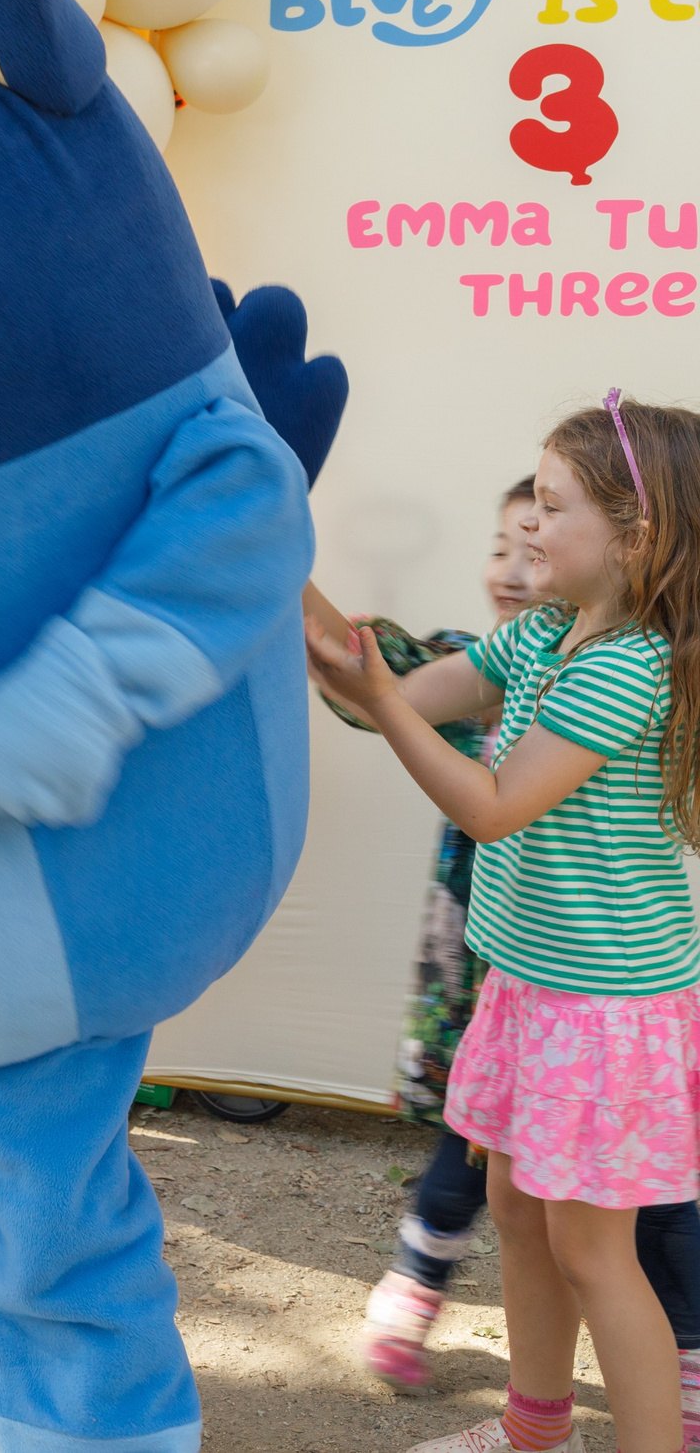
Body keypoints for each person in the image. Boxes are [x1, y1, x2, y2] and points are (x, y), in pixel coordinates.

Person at [309, 395, 700, 1453]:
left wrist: (383, 701)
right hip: (528, 986)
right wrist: (272, 565)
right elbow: (377, 688)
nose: (526, 522)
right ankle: (536, 1435)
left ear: (638, 533)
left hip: (605, 1013)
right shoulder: (537, 635)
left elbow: (488, 804)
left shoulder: (628, 667)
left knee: (594, 1255)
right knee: (519, 1220)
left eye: (552, 504)